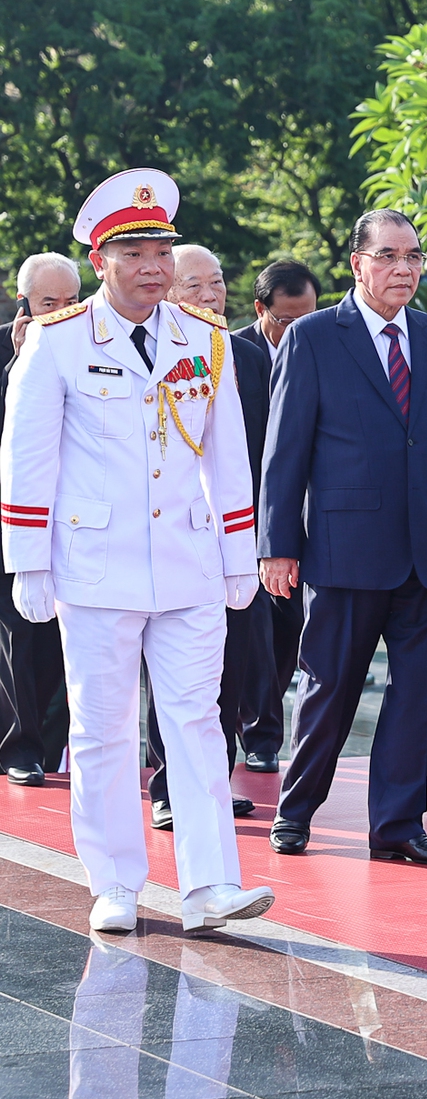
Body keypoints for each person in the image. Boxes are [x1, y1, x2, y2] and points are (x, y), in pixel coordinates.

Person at [0, 167, 273, 934]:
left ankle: (210, 885)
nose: (154, 265)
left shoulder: (204, 339)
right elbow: (28, 455)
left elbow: (228, 455)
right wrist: (29, 559)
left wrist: (237, 552)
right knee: (103, 726)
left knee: (195, 719)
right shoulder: (56, 343)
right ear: (100, 260)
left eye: (162, 249)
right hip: (97, 563)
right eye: (135, 251)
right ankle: (116, 882)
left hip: (187, 559)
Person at [259, 210, 427, 866]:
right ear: (357, 263)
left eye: (412, 257)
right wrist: (277, 545)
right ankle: (295, 810)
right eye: (387, 257)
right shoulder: (316, 337)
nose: (402, 269)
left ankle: (399, 826)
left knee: (415, 698)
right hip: (346, 551)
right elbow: (285, 451)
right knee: (330, 689)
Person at [146, 245, 270, 828]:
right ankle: (170, 786)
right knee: (174, 671)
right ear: (169, 291)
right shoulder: (155, 356)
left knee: (231, 666)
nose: (210, 295)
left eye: (217, 282)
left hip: (238, 539)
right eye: (195, 286)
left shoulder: (247, 354)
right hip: (171, 538)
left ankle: (215, 778)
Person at [236, 258, 320, 773]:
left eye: (307, 315)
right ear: (260, 309)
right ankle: (261, 735)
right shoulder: (234, 354)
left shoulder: (321, 346)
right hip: (242, 514)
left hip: (302, 513)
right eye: (287, 319)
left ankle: (265, 722)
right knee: (256, 632)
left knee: (290, 626)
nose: (297, 328)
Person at [0, 253, 79, 787]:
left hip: (75, 517)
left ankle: (48, 747)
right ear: (25, 299)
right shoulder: (10, 345)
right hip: (14, 516)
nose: (61, 312)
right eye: (49, 303)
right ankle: (19, 747)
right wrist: (18, 366)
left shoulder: (95, 342)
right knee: (17, 639)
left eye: (71, 301)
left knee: (59, 642)